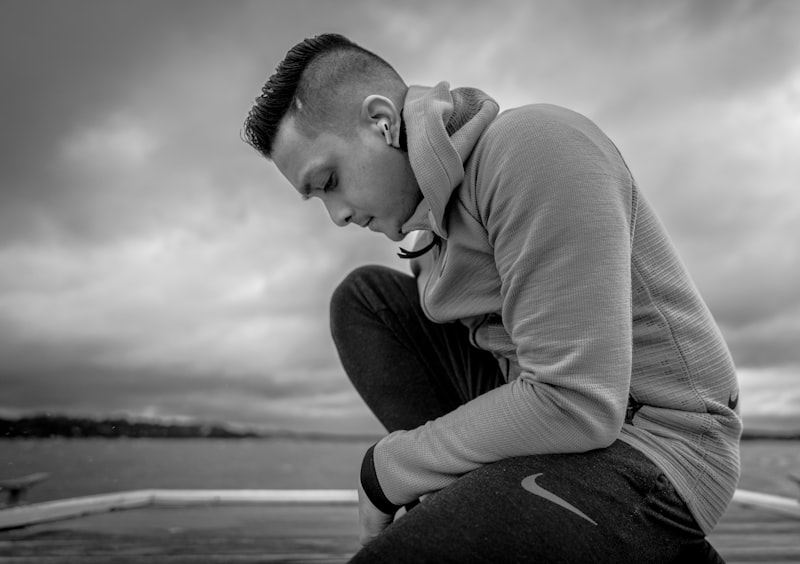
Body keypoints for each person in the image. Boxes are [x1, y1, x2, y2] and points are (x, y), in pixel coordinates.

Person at [243, 33, 741, 563]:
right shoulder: (429, 233)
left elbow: (578, 401)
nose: (337, 214)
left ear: (383, 122)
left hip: (655, 442)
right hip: (550, 415)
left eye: (330, 180)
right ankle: (479, 501)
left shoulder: (535, 146)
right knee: (366, 300)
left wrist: (389, 468)